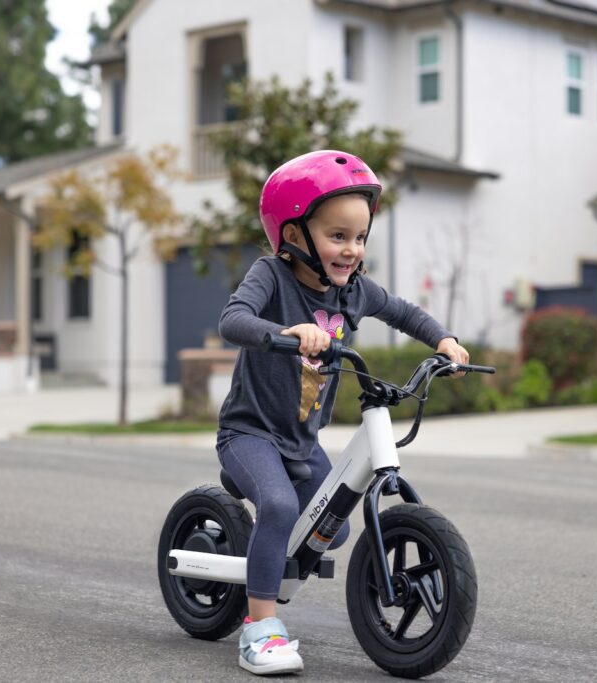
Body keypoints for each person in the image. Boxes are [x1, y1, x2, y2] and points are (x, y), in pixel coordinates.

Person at [216, 149, 470, 675]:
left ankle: (268, 560)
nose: (351, 249)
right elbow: (233, 320)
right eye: (337, 236)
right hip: (250, 434)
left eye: (359, 237)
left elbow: (401, 310)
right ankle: (258, 627)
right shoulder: (271, 276)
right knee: (283, 510)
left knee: (332, 526)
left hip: (302, 442)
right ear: (293, 236)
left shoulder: (353, 291)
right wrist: (282, 333)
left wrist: (442, 339)